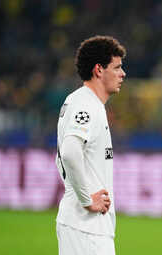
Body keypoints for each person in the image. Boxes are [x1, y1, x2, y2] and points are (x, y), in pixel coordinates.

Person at [55, 35, 126, 255]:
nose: (123, 74)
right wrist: (87, 200)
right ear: (99, 70)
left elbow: (62, 157)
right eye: (117, 67)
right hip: (87, 229)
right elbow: (69, 153)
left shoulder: (78, 101)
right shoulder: (87, 106)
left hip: (82, 226)